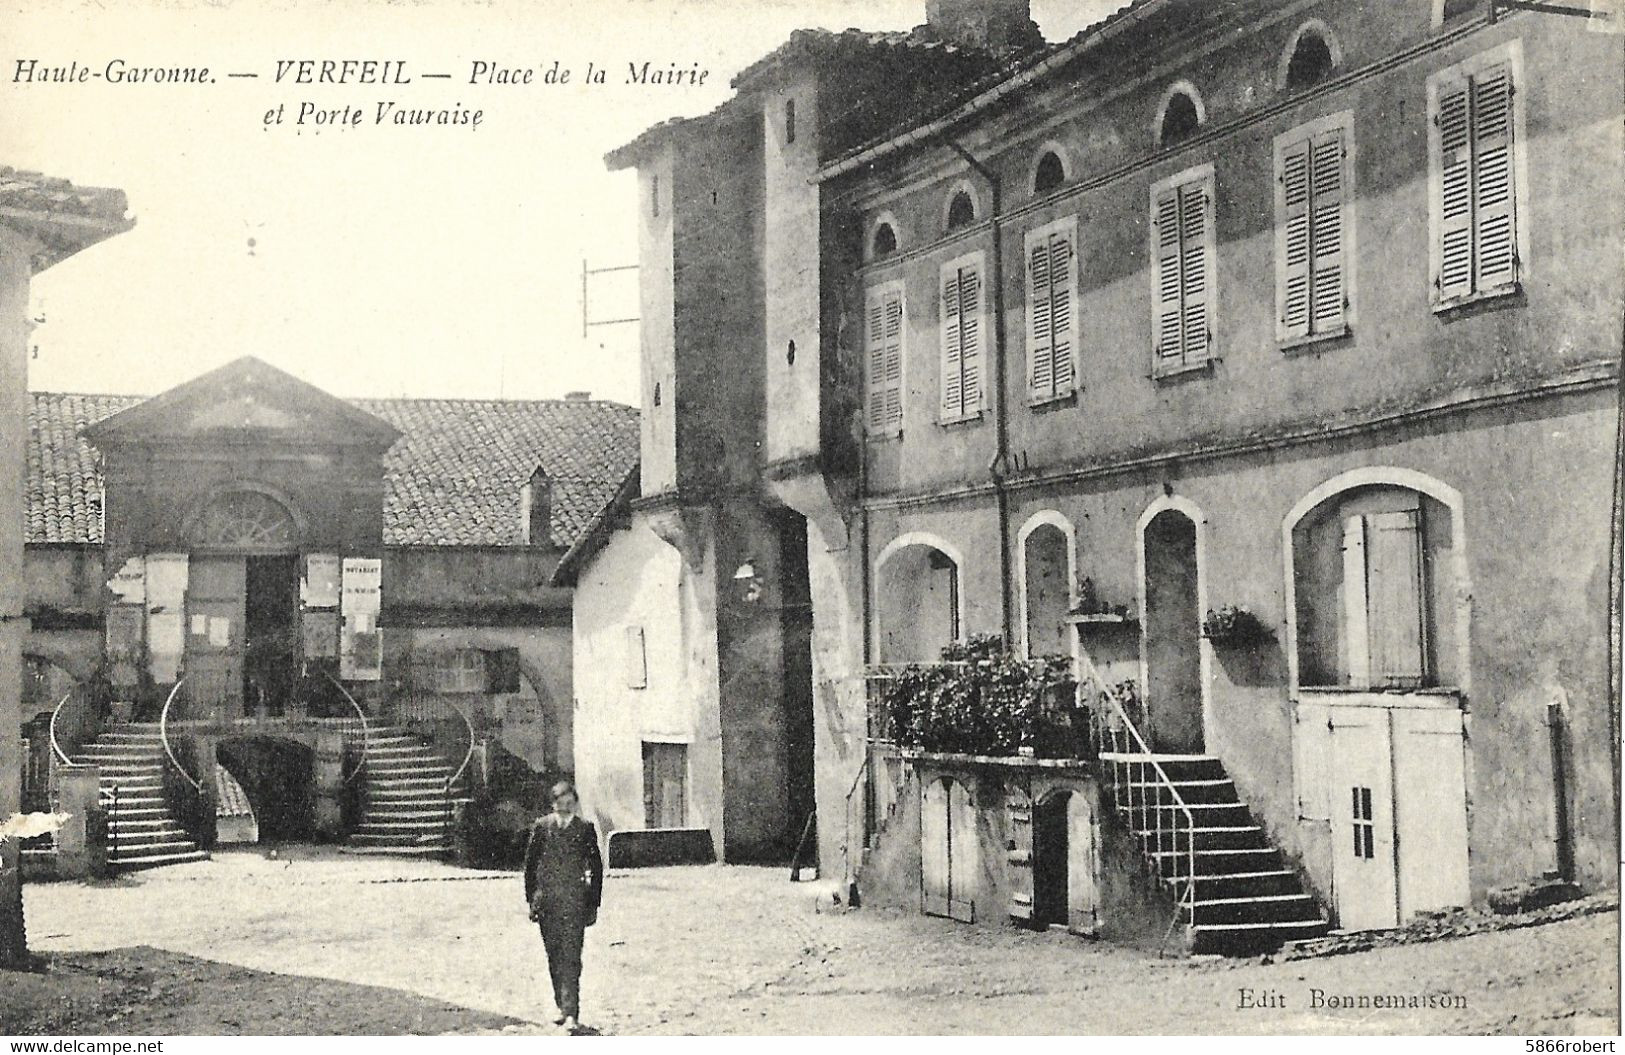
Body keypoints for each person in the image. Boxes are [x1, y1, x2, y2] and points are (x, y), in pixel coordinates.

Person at [523, 780, 603, 1033]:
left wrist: (593, 904)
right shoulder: (542, 827)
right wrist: (532, 900)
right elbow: (530, 866)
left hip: (575, 903)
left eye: (570, 804)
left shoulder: (585, 829)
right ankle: (561, 1004)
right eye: (560, 804)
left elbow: (596, 869)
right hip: (547, 904)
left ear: (575, 804)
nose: (565, 808)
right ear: (553, 803)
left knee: (571, 957)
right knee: (554, 955)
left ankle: (572, 1013)